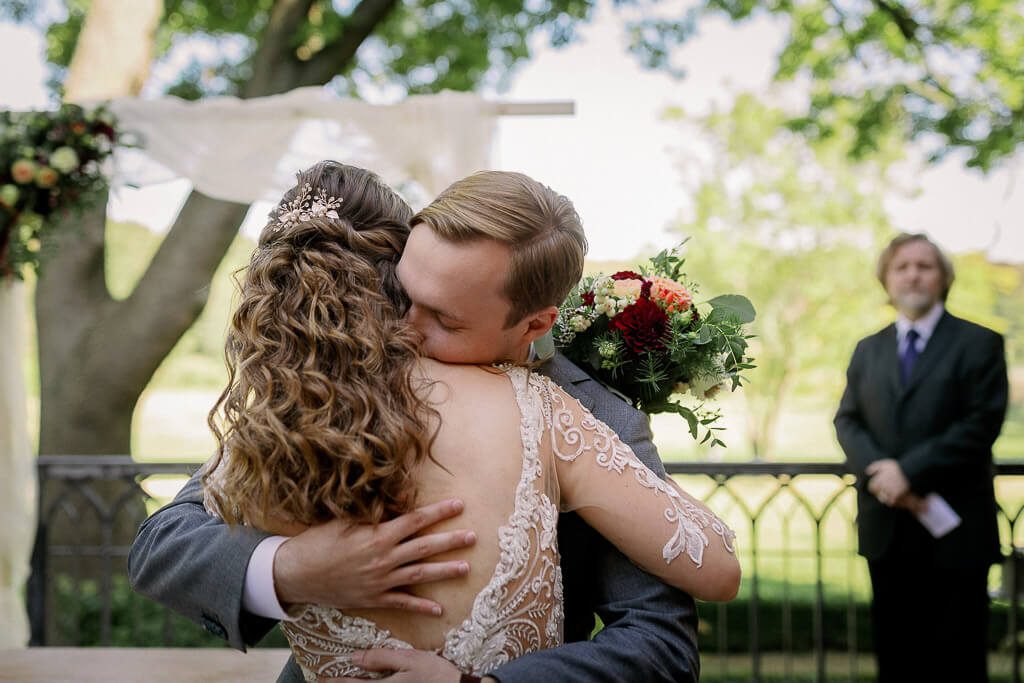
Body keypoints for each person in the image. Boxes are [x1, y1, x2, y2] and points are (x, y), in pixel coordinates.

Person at [129, 162, 736, 682]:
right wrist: (292, 568)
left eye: (444, 319)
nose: (400, 329)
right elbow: (165, 541)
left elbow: (660, 643)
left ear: (532, 324)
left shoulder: (593, 413)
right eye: (400, 293)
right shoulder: (322, 385)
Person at [834, 232, 1008, 683]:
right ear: (886, 280)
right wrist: (881, 473)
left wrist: (906, 470)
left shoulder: (981, 343)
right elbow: (847, 421)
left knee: (959, 660)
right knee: (896, 658)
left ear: (944, 278)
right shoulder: (867, 349)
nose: (912, 274)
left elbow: (980, 425)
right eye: (901, 266)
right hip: (885, 526)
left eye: (924, 266)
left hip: (957, 531)